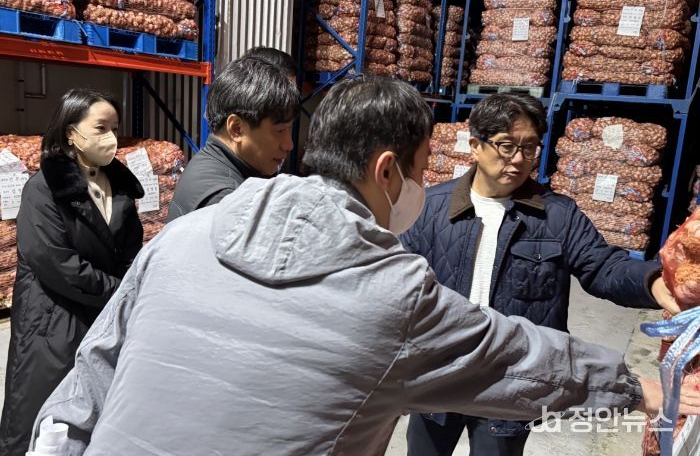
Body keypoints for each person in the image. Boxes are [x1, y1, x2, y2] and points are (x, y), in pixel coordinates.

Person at [34, 77, 700, 456]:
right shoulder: (396, 286)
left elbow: (90, 377)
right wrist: (638, 387)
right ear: (387, 171)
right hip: (447, 390)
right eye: (419, 168)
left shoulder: (185, 234)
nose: (520, 159)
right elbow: (515, 357)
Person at [401, 93, 680, 456]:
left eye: (529, 148)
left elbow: (603, 265)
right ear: (475, 146)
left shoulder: (557, 215)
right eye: (506, 146)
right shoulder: (430, 208)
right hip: (440, 370)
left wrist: (656, 283)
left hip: (512, 378)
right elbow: (400, 282)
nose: (519, 159)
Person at [0, 89, 144, 456]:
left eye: (115, 128)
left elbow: (131, 251)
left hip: (104, 315)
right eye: (100, 128)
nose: (110, 138)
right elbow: (58, 265)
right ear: (71, 133)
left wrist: (128, 290)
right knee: (39, 421)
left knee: (95, 415)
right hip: (53, 323)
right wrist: (121, 292)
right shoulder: (43, 190)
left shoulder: (120, 187)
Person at [165, 55, 298, 222]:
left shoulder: (213, 163)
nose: (289, 145)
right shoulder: (225, 200)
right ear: (236, 129)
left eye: (289, 129)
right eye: (280, 130)